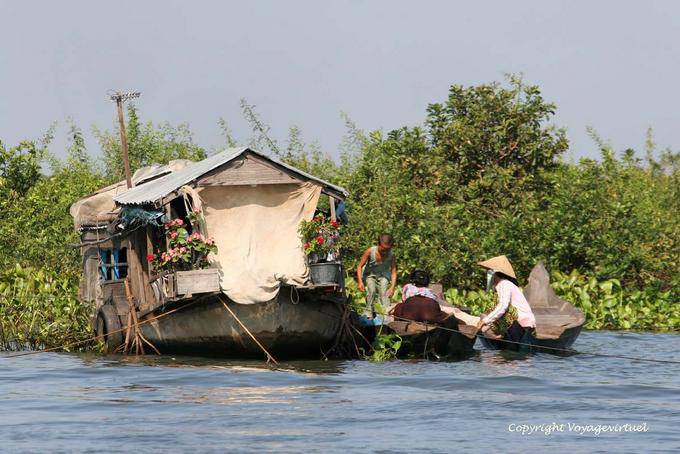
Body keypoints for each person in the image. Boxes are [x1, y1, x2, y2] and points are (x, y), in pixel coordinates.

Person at [476, 255, 536, 349]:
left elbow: (502, 306)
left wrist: (484, 321)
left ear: (494, 273)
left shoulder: (504, 284)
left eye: (489, 271)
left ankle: (496, 339)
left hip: (519, 323)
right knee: (484, 319)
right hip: (520, 322)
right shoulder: (503, 285)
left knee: (483, 320)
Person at [357, 233, 397, 318]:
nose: (385, 252)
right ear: (378, 244)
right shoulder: (370, 251)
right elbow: (359, 266)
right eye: (383, 250)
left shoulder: (391, 254)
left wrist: (392, 287)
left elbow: (393, 272)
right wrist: (360, 282)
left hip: (383, 275)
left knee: (384, 293)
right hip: (370, 275)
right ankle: (368, 314)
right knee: (371, 291)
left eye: (387, 250)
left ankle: (384, 315)